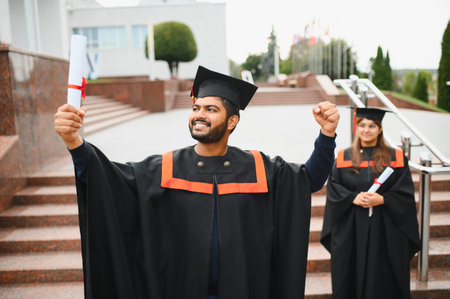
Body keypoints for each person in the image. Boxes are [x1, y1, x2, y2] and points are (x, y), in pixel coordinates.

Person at [54, 65, 340, 299]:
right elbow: (107, 181)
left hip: (246, 289)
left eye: (210, 109)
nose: (199, 114)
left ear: (231, 122)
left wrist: (327, 136)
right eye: (196, 108)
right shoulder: (165, 168)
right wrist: (75, 143)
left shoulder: (259, 167)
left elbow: (309, 179)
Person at [320, 107, 421, 299]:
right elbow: (333, 187)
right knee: (350, 274)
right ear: (356, 128)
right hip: (352, 228)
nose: (366, 130)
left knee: (383, 278)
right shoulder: (343, 157)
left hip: (385, 229)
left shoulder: (396, 157)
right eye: (362, 125)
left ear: (380, 129)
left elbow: (405, 193)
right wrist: (352, 197)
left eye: (372, 126)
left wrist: (383, 199)